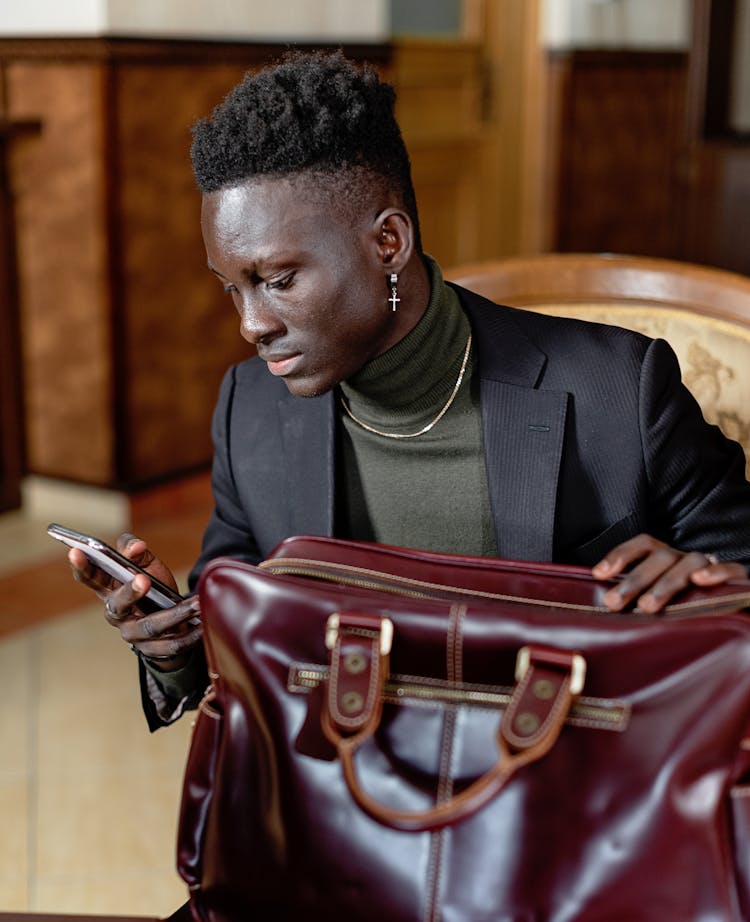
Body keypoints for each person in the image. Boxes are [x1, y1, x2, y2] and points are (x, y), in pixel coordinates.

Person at [66, 50, 750, 731]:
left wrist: (704, 584)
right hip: (350, 800)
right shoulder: (252, 411)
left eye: (277, 279)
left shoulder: (617, 391)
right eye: (232, 288)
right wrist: (175, 645)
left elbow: (738, 577)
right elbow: (241, 652)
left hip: (571, 798)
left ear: (388, 242)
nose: (250, 324)